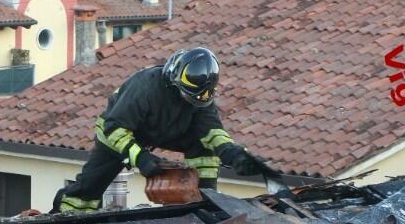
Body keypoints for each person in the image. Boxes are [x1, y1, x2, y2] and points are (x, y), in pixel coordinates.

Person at [52, 47, 278, 212]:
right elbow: (114, 128)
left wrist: (233, 153)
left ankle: (205, 200)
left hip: (166, 131)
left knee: (203, 145)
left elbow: (211, 132)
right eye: (187, 96)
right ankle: (66, 216)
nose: (190, 102)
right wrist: (140, 158)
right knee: (89, 188)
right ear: (174, 79)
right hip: (119, 133)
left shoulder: (201, 98)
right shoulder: (146, 88)